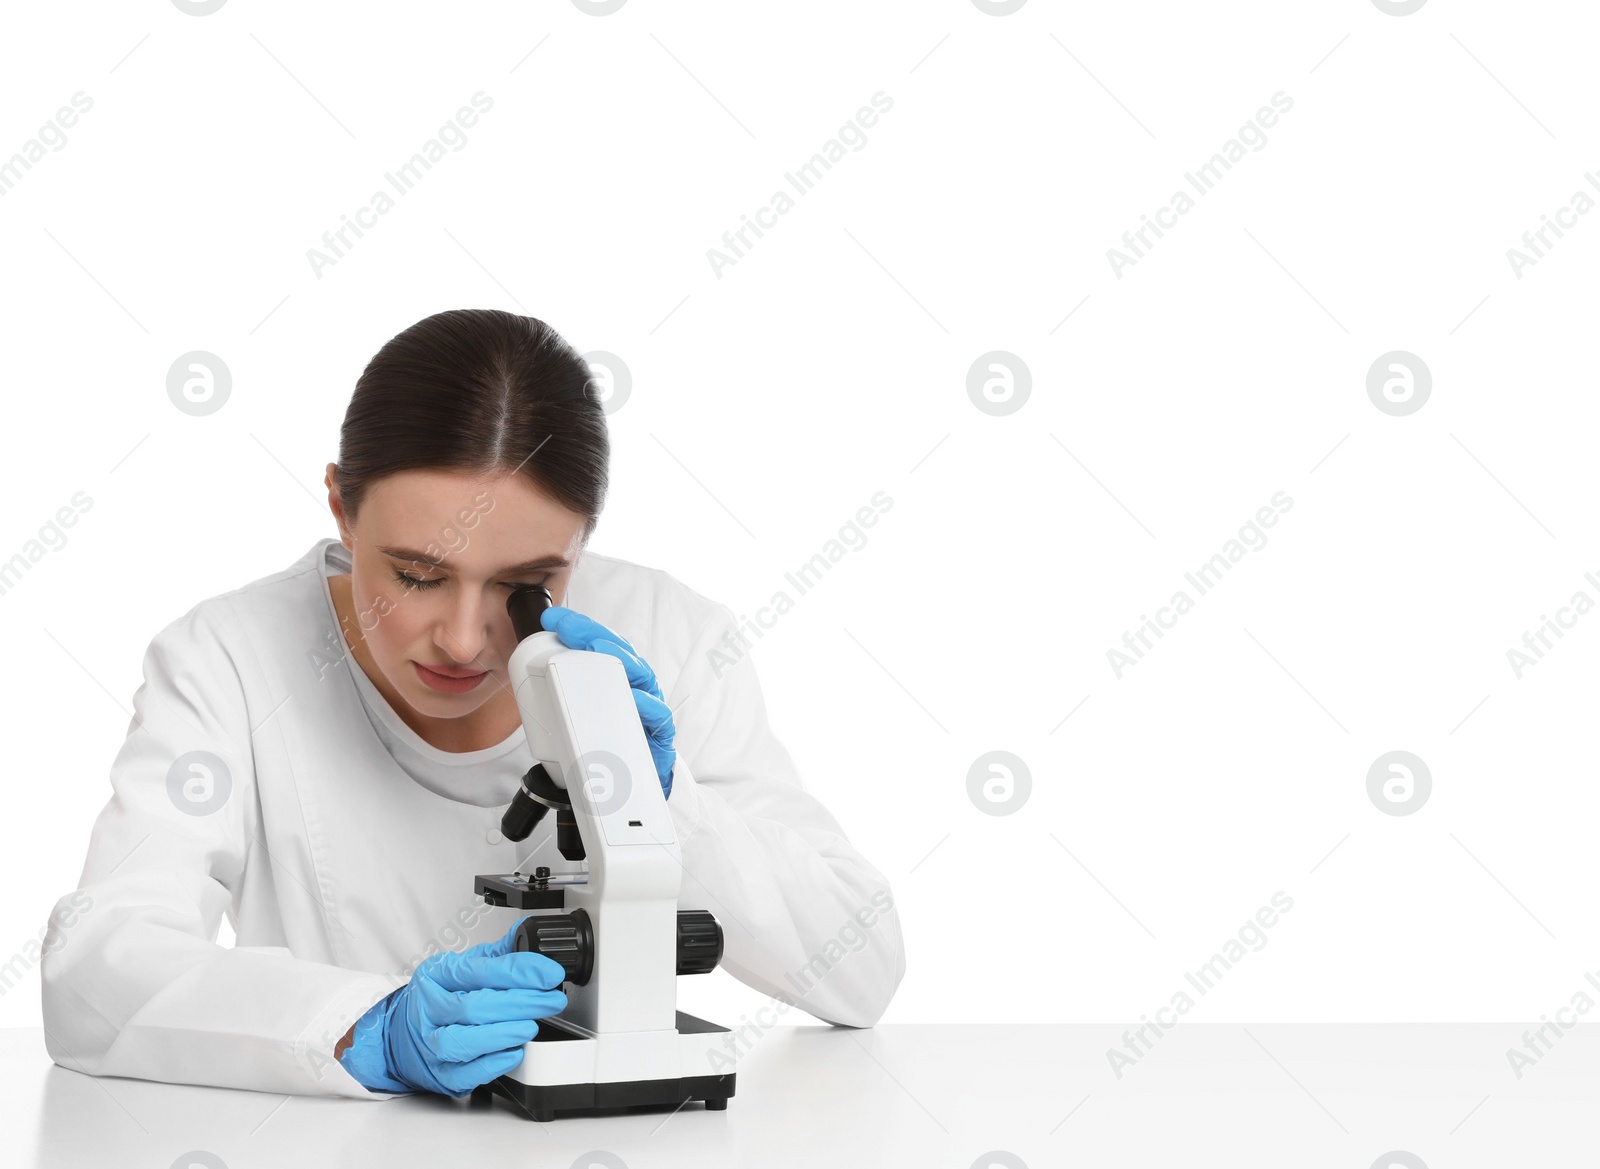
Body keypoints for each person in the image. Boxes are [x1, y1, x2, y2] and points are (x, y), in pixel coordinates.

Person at [39, 309, 905, 1100]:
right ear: (341, 506)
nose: (461, 639)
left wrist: (653, 799)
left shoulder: (671, 635)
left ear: (584, 541)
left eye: (526, 586)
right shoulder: (228, 659)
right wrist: (361, 1024)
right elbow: (93, 969)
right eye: (417, 574)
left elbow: (861, 967)